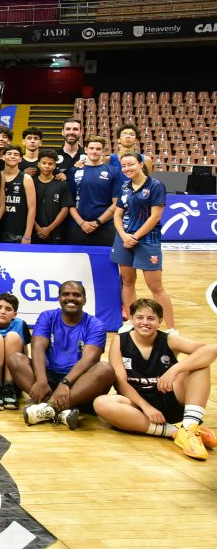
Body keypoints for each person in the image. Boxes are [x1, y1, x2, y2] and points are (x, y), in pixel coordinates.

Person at [94, 298, 217, 460]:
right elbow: (121, 383)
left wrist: (175, 369)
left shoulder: (169, 339)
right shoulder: (120, 340)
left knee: (200, 365)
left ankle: (190, 426)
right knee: (101, 403)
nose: (145, 322)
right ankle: (176, 432)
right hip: (137, 406)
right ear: (131, 319)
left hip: (168, 397)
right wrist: (146, 407)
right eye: (139, 317)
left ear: (160, 322)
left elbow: (211, 349)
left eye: (151, 318)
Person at [6, 281, 116, 430]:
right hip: (48, 379)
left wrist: (65, 383)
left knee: (105, 369)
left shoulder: (96, 325)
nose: (71, 298)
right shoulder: (47, 316)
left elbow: (89, 360)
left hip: (79, 383)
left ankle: (49, 407)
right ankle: (62, 412)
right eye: (66, 294)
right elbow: (37, 347)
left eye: (76, 295)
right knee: (15, 359)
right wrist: (41, 380)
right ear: (59, 298)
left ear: (84, 300)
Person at [112, 151, 173, 329]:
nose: (127, 168)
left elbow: (155, 217)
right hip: (124, 239)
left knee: (156, 287)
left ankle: (171, 328)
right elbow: (117, 214)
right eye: (123, 166)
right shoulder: (125, 186)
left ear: (140, 164)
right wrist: (124, 235)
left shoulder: (155, 186)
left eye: (131, 164)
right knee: (127, 282)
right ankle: (131, 322)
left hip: (147, 240)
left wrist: (135, 236)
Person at [67, 136, 122, 246]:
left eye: (98, 149)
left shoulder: (113, 172)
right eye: (91, 148)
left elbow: (116, 203)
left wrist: (97, 222)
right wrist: (82, 223)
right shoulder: (74, 171)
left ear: (103, 151)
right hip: (77, 226)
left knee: (104, 257)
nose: (94, 151)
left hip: (105, 226)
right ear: (86, 149)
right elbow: (69, 202)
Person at [32, 149, 73, 244]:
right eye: (44, 163)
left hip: (56, 232)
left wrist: (50, 228)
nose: (47, 166)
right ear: (38, 164)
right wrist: (37, 228)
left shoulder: (62, 184)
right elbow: (27, 208)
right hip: (34, 231)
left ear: (55, 166)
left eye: (50, 164)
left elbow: (65, 209)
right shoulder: (31, 183)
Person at [0, 146, 35, 244]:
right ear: (3, 157)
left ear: (20, 159)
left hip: (18, 231)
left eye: (16, 154)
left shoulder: (26, 178)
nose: (12, 156)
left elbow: (32, 208)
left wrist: (27, 235)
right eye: (9, 154)